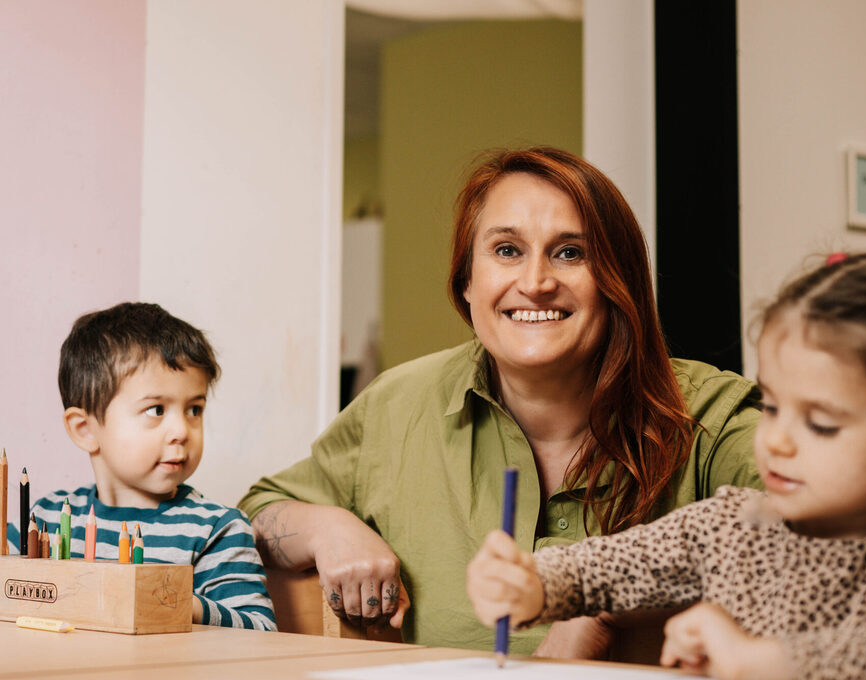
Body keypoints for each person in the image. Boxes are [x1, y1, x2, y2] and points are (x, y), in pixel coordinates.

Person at [238, 146, 761, 654]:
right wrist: (330, 528)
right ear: (467, 280)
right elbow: (256, 513)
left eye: (571, 253)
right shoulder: (398, 403)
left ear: (616, 281)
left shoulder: (711, 415)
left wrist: (598, 603)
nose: (535, 283)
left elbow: (820, 539)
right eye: (507, 250)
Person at [467, 250, 866, 679]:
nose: (775, 441)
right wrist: (530, 583)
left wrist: (762, 662)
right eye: (772, 407)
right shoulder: (733, 524)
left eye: (821, 423)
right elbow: (603, 569)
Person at [7, 303, 276, 630]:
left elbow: (261, 630)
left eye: (194, 409)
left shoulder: (217, 529)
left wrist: (172, 602)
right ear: (86, 429)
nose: (181, 431)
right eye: (156, 410)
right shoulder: (46, 518)